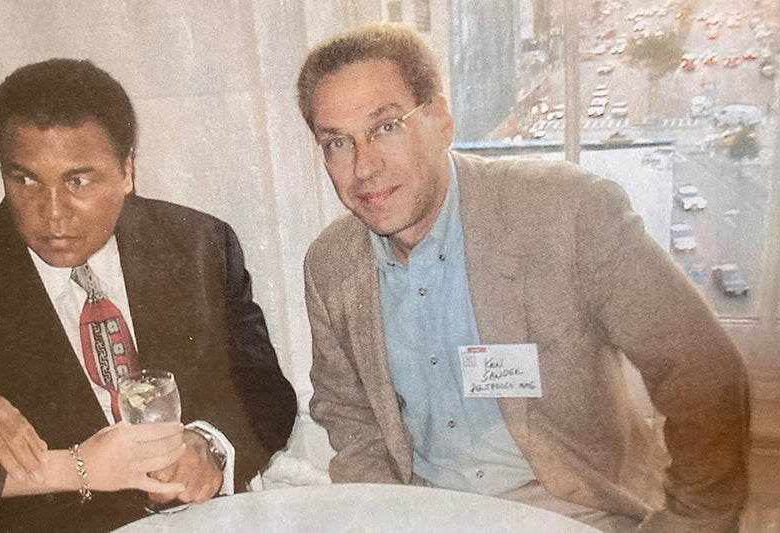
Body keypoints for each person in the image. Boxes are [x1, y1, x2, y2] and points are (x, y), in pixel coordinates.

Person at [296, 24, 749, 533]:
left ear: (440, 120)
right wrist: (389, 515)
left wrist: (690, 523)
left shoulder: (568, 212)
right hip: (422, 513)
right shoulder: (330, 265)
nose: (364, 167)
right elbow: (347, 410)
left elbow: (700, 370)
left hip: (579, 510)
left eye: (386, 127)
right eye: (338, 142)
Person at [0, 58, 297, 532]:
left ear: (127, 170)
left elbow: (265, 392)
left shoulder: (201, 244)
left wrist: (210, 447)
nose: (52, 212)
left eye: (78, 180)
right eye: (25, 179)